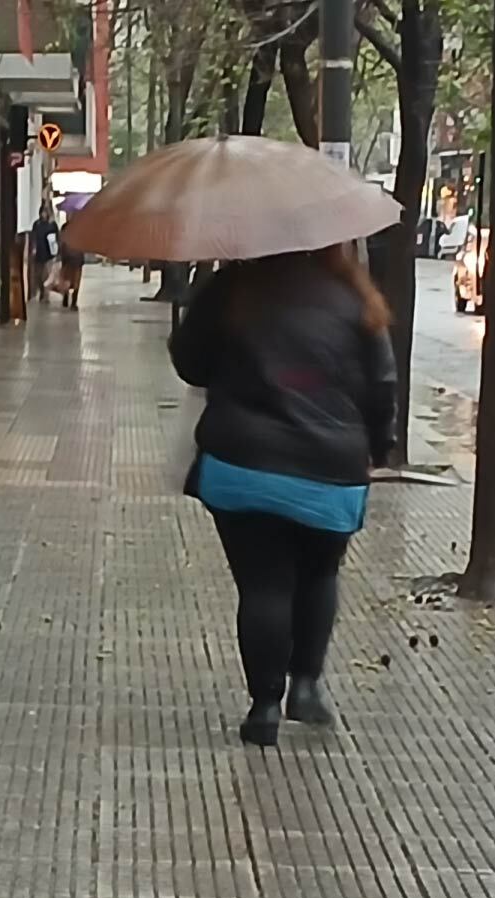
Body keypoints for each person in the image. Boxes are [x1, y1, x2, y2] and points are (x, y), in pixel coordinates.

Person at [169, 244, 396, 747]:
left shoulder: (233, 289)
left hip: (243, 464)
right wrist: (379, 447)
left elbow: (189, 362)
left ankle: (264, 705)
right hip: (331, 469)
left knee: (263, 585)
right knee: (319, 572)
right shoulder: (355, 296)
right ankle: (308, 687)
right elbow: (382, 383)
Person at [29, 203, 61, 302]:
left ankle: (45, 294)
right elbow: (33, 237)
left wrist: (57, 250)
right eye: (42, 212)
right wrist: (33, 248)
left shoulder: (52, 225)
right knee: (38, 275)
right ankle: (42, 291)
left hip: (49, 253)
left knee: (47, 275)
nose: (44, 214)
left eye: (45, 212)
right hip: (39, 253)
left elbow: (57, 238)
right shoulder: (36, 224)